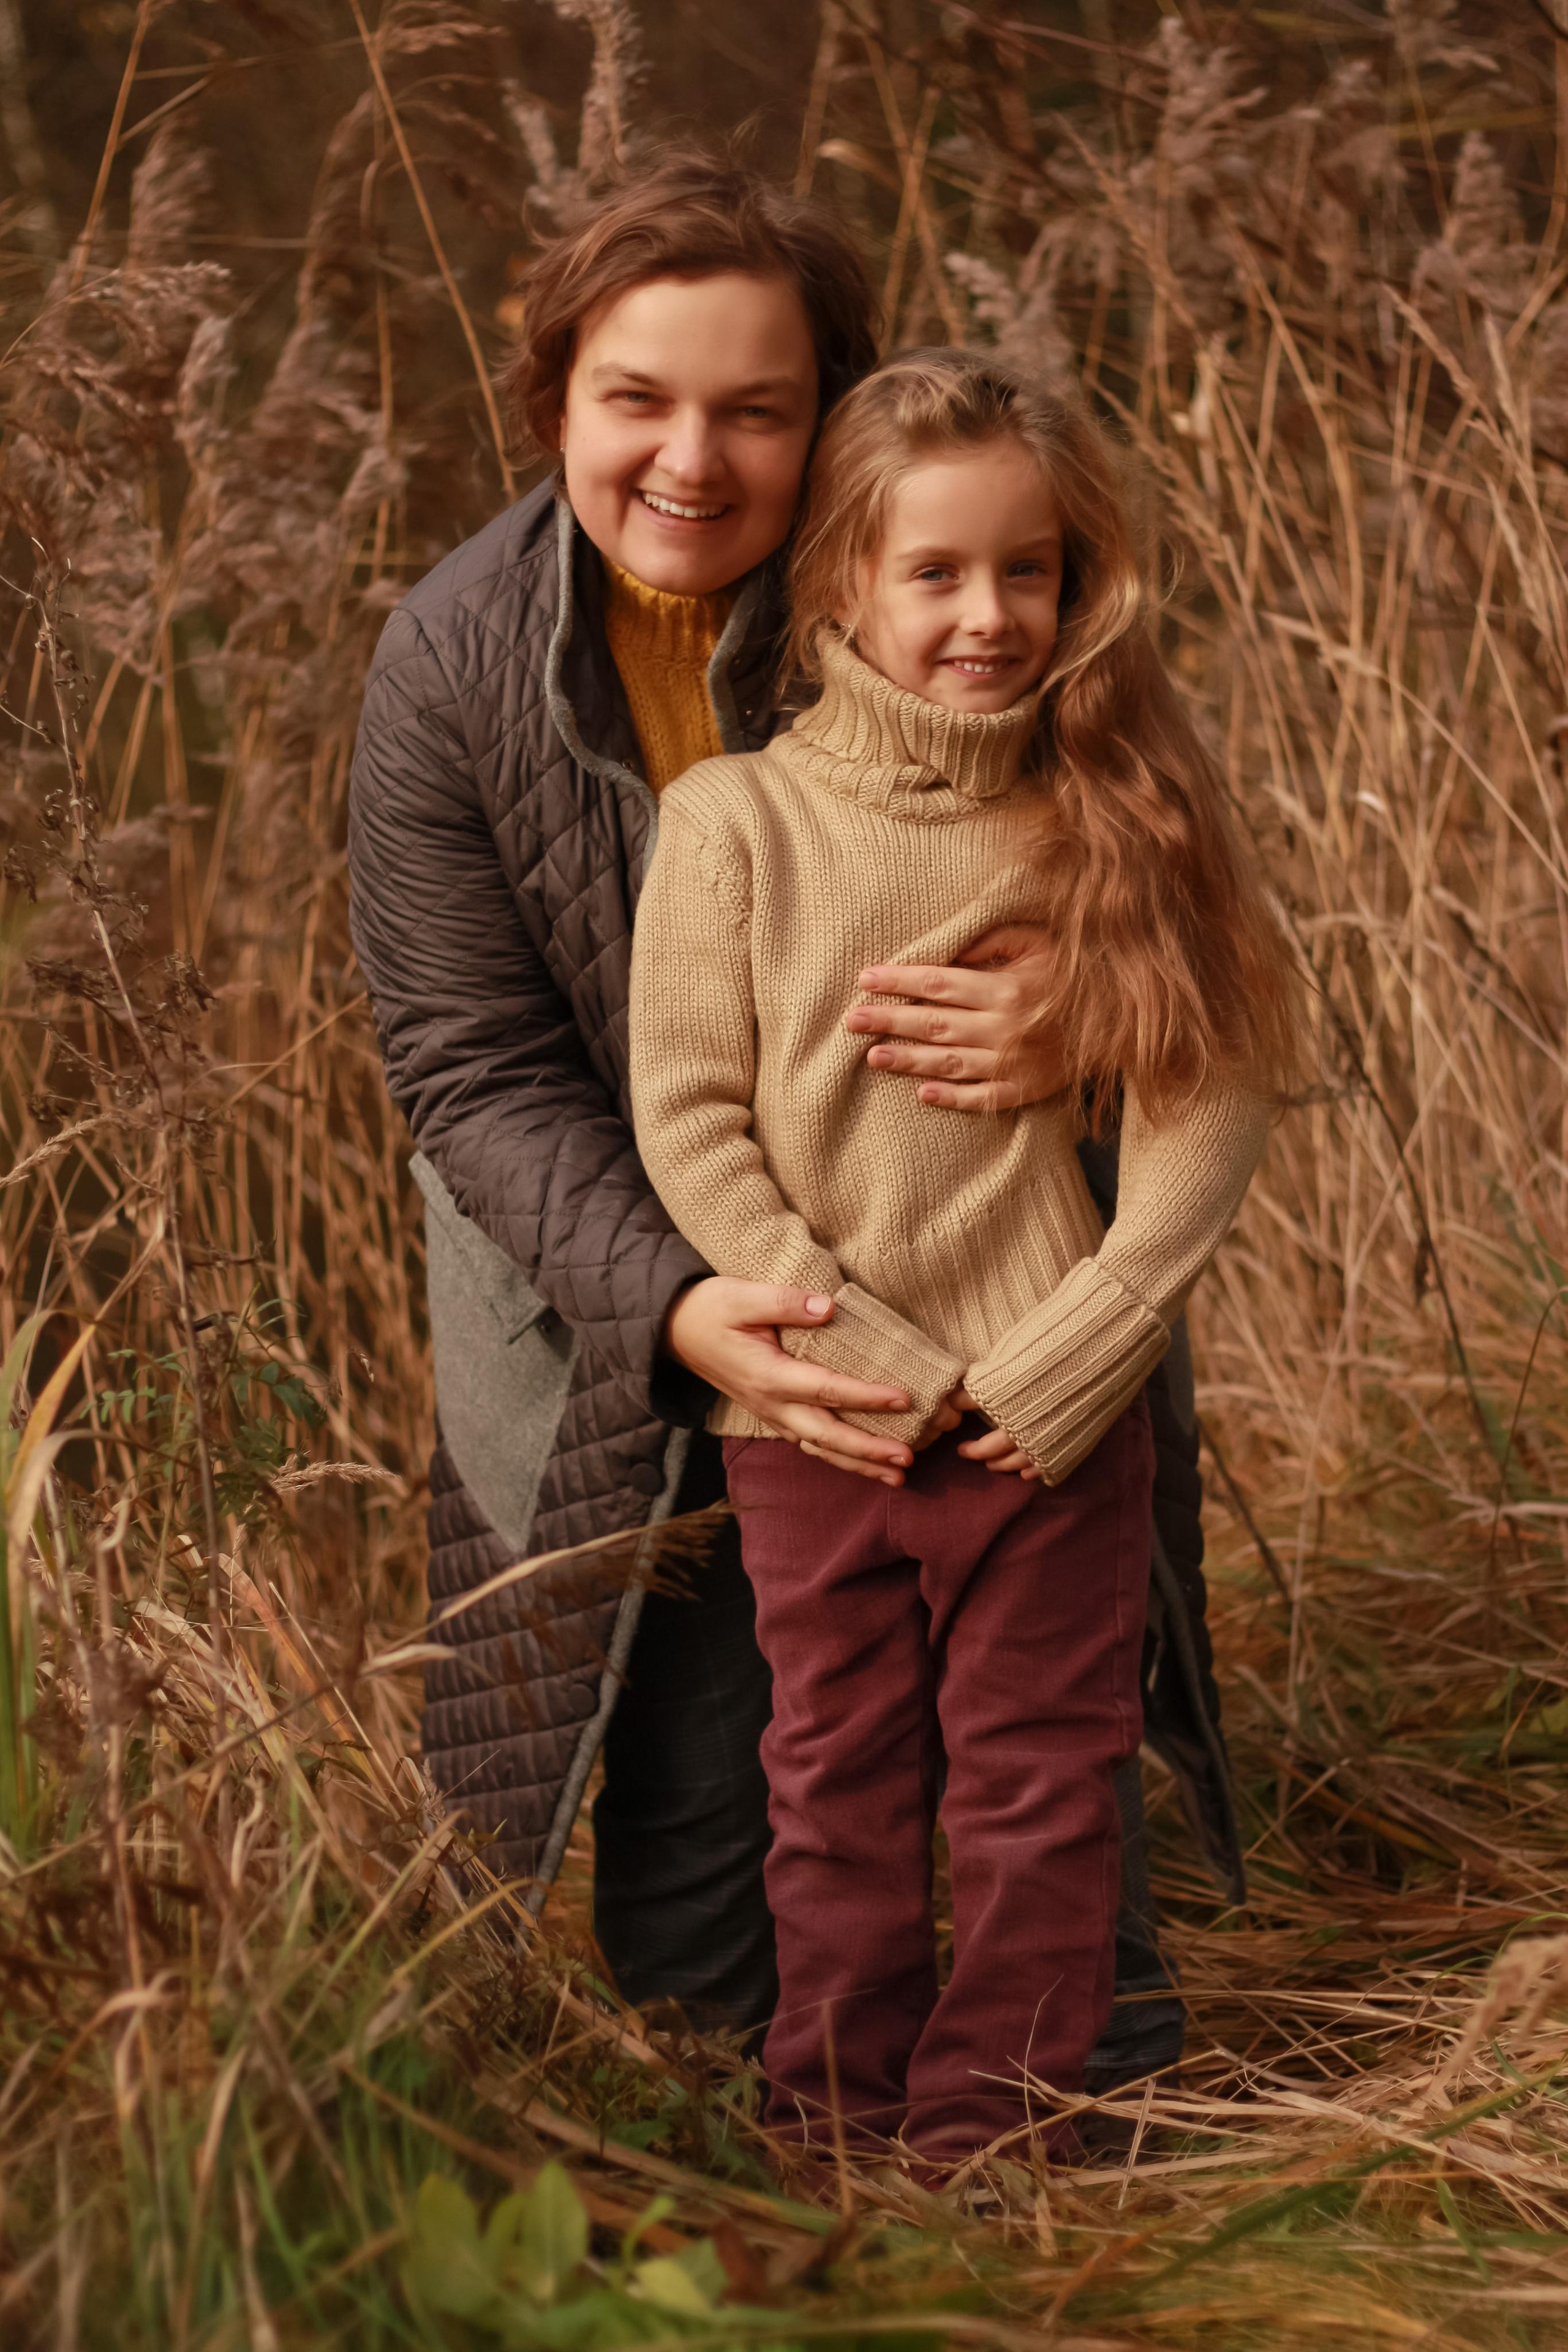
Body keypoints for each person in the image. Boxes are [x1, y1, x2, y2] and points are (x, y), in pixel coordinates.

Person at [347, 156, 1242, 2077]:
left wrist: (1088, 1003)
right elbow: (468, 1060)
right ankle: (776, 2150)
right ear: (554, 405)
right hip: (627, 1299)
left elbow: (1176, 916)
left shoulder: (957, 601)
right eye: (636, 400)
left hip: (981, 1254)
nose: (692, 458)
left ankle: (1060, 2114)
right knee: (705, 1791)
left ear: (825, 423)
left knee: (1040, 1742)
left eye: (757, 409)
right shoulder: (450, 667)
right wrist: (683, 1298)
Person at [628, 349, 1300, 2168]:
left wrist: (1086, 1339)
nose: (989, 616)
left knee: (1042, 1794)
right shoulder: (738, 823)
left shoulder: (1112, 806)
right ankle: (836, 2138)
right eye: (936, 572)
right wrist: (841, 1337)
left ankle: (994, 2146)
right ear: (843, 576)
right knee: (835, 1793)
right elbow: (690, 1118)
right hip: (823, 1420)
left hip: (1044, 1424)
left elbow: (1210, 1095)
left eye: (1031, 571)